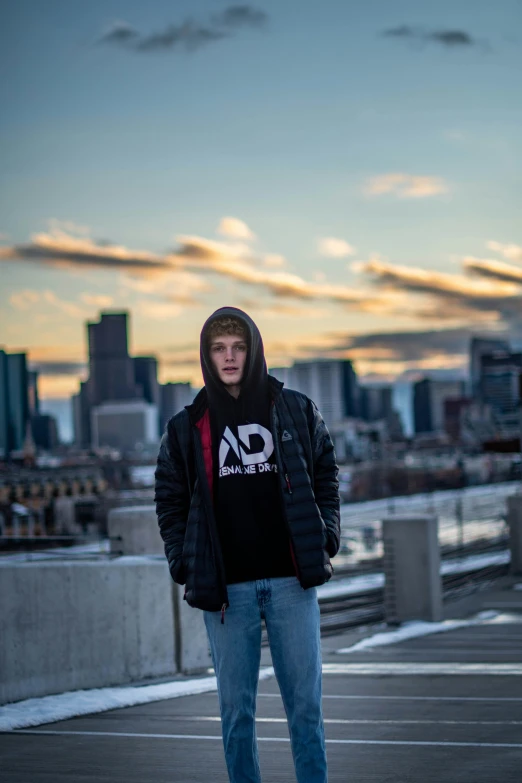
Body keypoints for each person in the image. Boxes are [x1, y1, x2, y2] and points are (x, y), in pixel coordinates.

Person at [154, 306, 340, 783]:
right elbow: (169, 498)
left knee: (306, 710)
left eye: (238, 347)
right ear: (206, 356)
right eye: (219, 349)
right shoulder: (186, 426)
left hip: (291, 583)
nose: (230, 357)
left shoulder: (294, 408)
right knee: (236, 716)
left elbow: (325, 472)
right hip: (225, 593)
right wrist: (183, 561)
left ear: (253, 350)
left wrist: (328, 535)